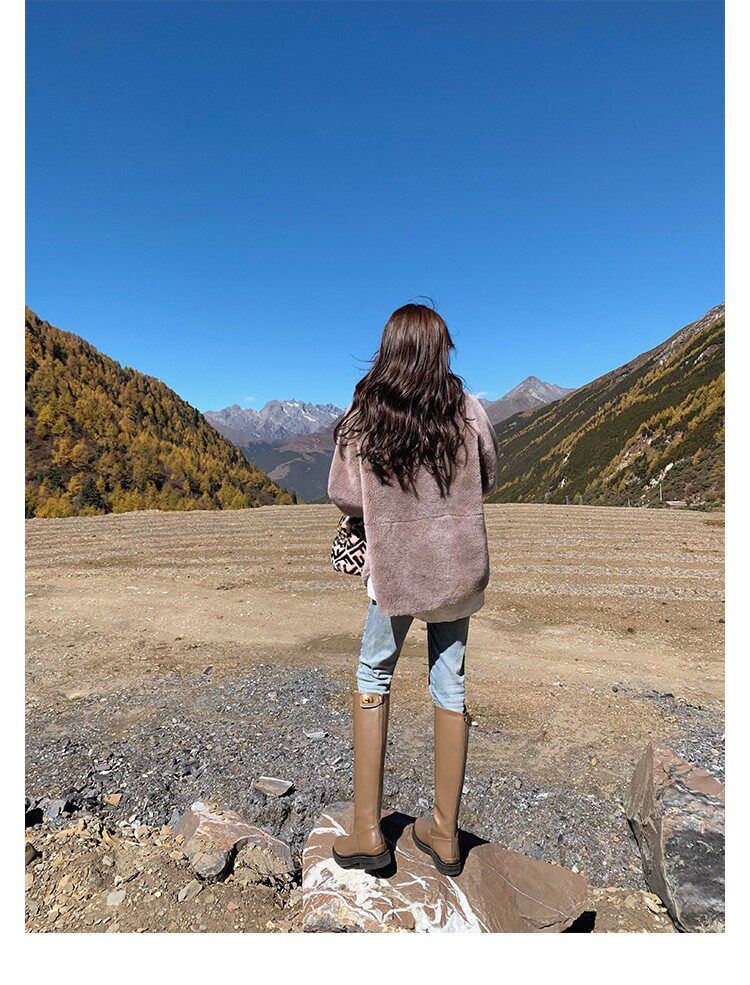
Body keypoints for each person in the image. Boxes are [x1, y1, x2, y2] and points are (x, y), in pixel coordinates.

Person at [327, 303, 497, 876]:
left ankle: (367, 831)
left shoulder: (366, 413)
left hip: (395, 570)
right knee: (450, 682)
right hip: (457, 569)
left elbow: (344, 493)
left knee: (373, 672)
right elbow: (488, 477)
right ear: (440, 349)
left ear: (390, 349)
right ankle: (445, 835)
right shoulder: (468, 409)